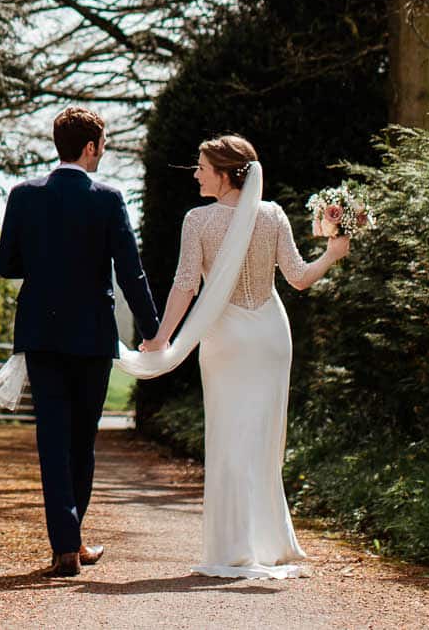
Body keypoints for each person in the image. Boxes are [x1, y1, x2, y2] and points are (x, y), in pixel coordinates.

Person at [125, 134, 349, 578]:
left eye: (203, 167)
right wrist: (333, 252)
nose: (195, 173)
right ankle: (267, 542)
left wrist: (160, 339)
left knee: (230, 439)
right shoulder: (273, 215)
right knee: (264, 441)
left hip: (226, 336)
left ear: (226, 174)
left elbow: (186, 284)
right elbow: (300, 279)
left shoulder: (198, 220)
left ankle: (234, 546)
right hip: (269, 333)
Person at [0, 106, 161, 578]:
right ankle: (72, 542)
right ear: (90, 147)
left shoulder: (23, 195)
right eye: (103, 144)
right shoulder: (108, 199)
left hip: (41, 333)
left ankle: (67, 546)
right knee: (81, 442)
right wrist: (152, 330)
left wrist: (46, 263)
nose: (103, 151)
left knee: (52, 439)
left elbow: (6, 265)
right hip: (91, 335)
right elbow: (131, 270)